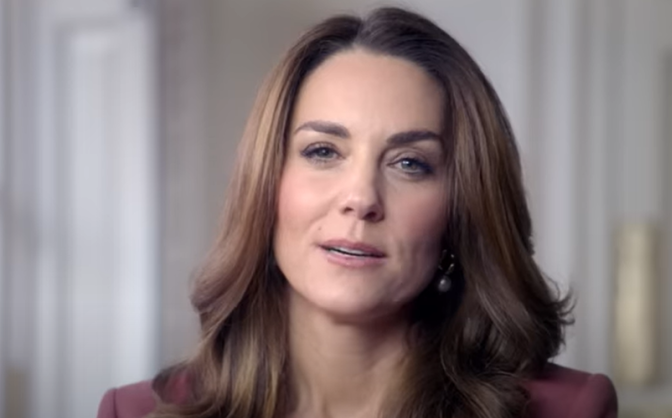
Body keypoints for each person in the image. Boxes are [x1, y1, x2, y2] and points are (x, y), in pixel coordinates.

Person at [98, 6, 617, 418]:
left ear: (460, 210)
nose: (362, 197)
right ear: (267, 184)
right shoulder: (135, 412)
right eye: (323, 152)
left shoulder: (570, 410)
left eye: (410, 163)